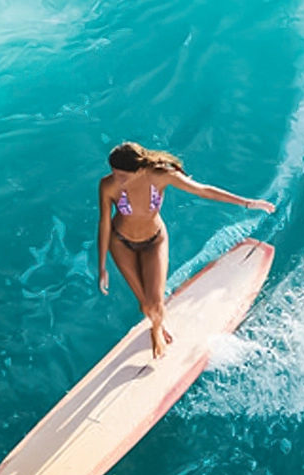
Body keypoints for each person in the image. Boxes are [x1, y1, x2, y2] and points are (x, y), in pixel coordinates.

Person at [97, 142, 274, 358]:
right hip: (121, 243)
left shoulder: (160, 176)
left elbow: (202, 190)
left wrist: (247, 202)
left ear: (140, 169)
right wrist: (102, 265)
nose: (118, 179)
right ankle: (157, 324)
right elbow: (104, 223)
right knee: (145, 304)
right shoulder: (108, 186)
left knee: (156, 301)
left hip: (155, 241)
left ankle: (156, 330)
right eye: (115, 173)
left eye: (123, 175)